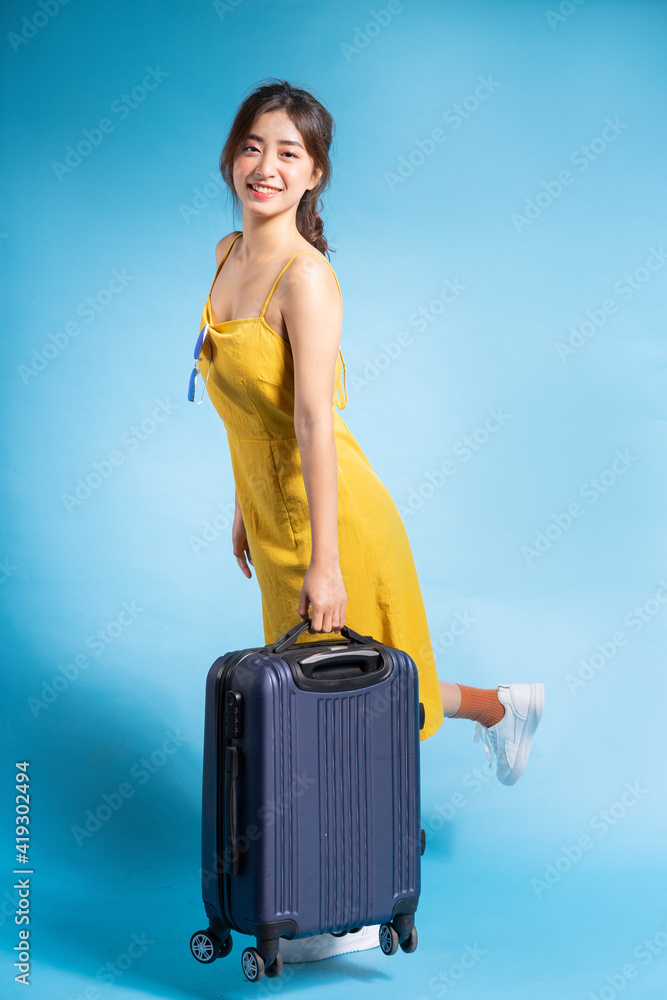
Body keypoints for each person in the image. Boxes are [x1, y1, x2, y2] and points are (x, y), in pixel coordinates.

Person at [189, 78, 544, 963]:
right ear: (233, 155)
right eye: (254, 146)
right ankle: (500, 709)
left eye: (290, 154)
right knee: (320, 702)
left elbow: (312, 422)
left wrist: (328, 561)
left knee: (363, 703)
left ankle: (341, 902)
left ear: (314, 177)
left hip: (331, 519)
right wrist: (243, 504)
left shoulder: (307, 281)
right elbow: (247, 408)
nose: (266, 166)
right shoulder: (229, 252)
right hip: (273, 520)